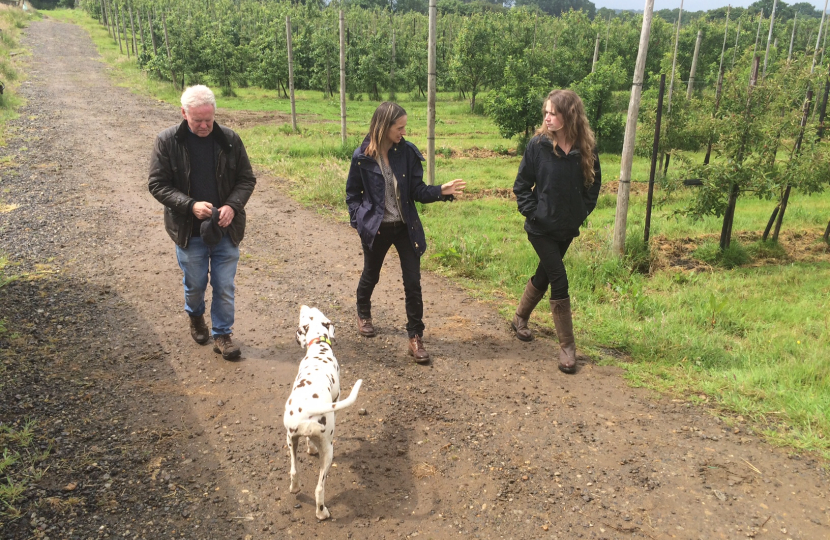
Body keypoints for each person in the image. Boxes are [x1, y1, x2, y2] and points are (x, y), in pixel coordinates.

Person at [346, 102, 466, 363]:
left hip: (404, 227)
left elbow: (416, 191)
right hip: (377, 228)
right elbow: (352, 195)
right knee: (371, 274)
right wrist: (360, 221)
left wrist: (440, 191)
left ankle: (415, 337)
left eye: (404, 127)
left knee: (413, 282)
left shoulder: (407, 153)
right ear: (384, 126)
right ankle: (363, 311)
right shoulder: (362, 156)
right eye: (399, 127)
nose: (403, 132)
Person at [149, 85, 256, 360]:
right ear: (184, 113)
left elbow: (246, 179)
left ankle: (222, 334)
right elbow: (157, 184)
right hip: (189, 232)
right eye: (197, 120)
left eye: (209, 119)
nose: (204, 126)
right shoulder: (167, 141)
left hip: (225, 230)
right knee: (195, 284)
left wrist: (233, 205)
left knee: (224, 285)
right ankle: (196, 316)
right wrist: (190, 205)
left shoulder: (230, 140)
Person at [511, 89, 601, 374]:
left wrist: (580, 212)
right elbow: (522, 185)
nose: (547, 118)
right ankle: (567, 348)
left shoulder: (585, 147)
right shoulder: (537, 145)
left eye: (553, 113)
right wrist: (533, 212)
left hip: (566, 228)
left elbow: (593, 185)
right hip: (540, 228)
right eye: (546, 112)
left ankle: (519, 318)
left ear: (569, 116)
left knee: (544, 275)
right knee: (559, 279)